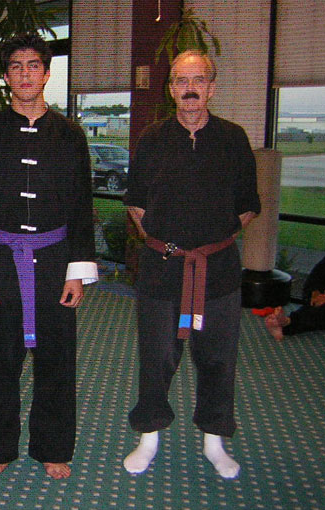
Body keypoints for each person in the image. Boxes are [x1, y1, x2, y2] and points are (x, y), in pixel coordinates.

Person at [0, 33, 97, 480]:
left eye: (33, 65)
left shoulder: (70, 136)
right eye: (16, 66)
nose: (25, 74)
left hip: (55, 261)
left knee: (57, 361)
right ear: (6, 76)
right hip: (0, 261)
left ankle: (53, 447)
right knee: (1, 360)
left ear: (47, 73)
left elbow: (81, 205)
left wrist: (77, 271)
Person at [123, 50, 261, 479]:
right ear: (171, 89)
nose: (190, 89)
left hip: (218, 271)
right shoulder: (152, 139)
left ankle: (215, 441)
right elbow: (135, 203)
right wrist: (164, 244)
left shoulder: (233, 138)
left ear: (211, 88)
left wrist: (212, 243)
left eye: (198, 80)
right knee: (157, 357)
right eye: (181, 81)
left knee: (218, 359)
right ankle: (149, 436)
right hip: (162, 269)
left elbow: (248, 205)